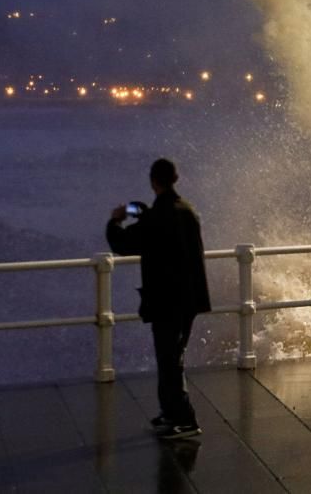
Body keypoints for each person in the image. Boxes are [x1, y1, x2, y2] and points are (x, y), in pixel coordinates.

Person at [106, 158, 211, 440]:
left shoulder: (159, 216)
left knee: (169, 360)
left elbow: (123, 243)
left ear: (154, 181)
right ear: (174, 178)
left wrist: (115, 221)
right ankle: (170, 412)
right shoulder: (187, 210)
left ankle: (185, 420)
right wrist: (144, 213)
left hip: (167, 300)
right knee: (172, 357)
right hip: (189, 299)